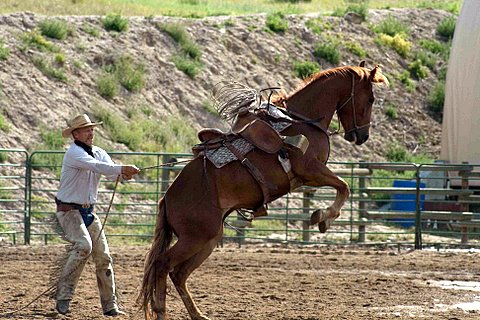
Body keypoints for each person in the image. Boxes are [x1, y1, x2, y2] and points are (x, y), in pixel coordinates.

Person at [54, 114, 140, 316]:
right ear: (75, 134)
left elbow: (110, 172)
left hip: (87, 211)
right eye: (86, 129)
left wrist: (122, 174)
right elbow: (98, 167)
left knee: (103, 256)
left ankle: (110, 306)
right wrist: (121, 168)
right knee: (84, 246)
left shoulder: (98, 152)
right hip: (69, 211)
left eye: (92, 129)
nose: (91, 132)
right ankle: (63, 296)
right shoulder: (74, 153)